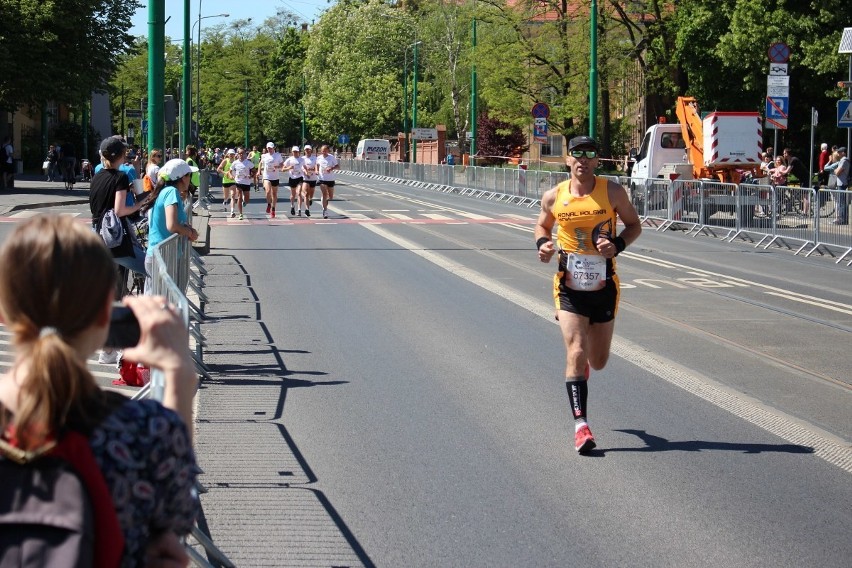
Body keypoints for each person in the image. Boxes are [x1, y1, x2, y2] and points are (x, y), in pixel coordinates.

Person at [0, 214, 199, 565]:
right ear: (106, 314)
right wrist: (179, 374)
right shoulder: (142, 430)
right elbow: (177, 520)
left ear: (5, 312)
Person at [534, 135, 642, 454]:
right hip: (568, 284)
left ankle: (583, 368)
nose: (582, 160)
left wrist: (618, 245)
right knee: (576, 348)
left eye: (589, 154)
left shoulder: (612, 192)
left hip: (604, 285)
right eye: (577, 154)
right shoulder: (554, 196)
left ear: (597, 161)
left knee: (598, 359)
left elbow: (634, 225)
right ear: (568, 160)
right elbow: (542, 227)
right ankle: (581, 426)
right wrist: (543, 245)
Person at [143, 159, 199, 292]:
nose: (190, 180)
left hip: (161, 255)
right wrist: (189, 232)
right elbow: (172, 225)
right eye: (189, 176)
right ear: (182, 178)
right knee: (159, 303)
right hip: (162, 256)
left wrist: (186, 230)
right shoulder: (171, 192)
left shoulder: (166, 191)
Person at [823, 146, 848, 225]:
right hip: (839, 183)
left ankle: (841, 219)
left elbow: (836, 172)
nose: (839, 153)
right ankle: (841, 218)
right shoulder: (841, 162)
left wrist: (834, 168)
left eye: (840, 152)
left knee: (840, 202)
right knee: (840, 202)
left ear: (843, 153)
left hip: (841, 183)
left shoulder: (843, 161)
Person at [227, 147, 253, 220]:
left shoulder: (248, 162)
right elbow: (230, 171)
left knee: (247, 199)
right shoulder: (235, 163)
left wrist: (251, 176)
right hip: (238, 182)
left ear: (245, 154)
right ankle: (240, 214)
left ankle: (245, 202)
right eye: (239, 153)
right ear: (237, 154)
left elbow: (254, 170)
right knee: (239, 197)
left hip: (246, 182)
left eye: (242, 153)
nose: (241, 155)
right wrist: (231, 176)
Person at [259, 141, 284, 218]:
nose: (269, 149)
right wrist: (259, 171)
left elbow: (282, 164)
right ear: (266, 148)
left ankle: (273, 209)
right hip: (267, 176)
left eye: (271, 148)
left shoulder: (278, 155)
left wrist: (278, 167)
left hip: (275, 177)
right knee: (268, 191)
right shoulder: (264, 156)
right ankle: (269, 204)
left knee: (274, 194)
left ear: (274, 148)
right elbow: (260, 163)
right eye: (268, 148)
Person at [316, 144, 339, 219]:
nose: (323, 152)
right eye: (322, 151)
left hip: (330, 179)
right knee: (324, 194)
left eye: (325, 150)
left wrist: (331, 168)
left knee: (331, 196)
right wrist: (316, 170)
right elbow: (317, 164)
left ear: (328, 150)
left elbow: (337, 166)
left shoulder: (331, 157)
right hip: (322, 178)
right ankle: (325, 210)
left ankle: (325, 202)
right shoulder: (319, 158)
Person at [284, 146, 306, 216]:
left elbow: (304, 167)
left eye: (296, 152)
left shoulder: (302, 159)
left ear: (299, 152)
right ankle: (292, 205)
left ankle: (299, 209)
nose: (295, 153)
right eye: (294, 152)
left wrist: (306, 171)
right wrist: (289, 168)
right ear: (292, 152)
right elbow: (282, 169)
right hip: (292, 178)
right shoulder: (289, 160)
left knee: (298, 193)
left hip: (299, 177)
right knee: (293, 195)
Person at [217, 148, 236, 215]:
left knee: (233, 195)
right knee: (226, 196)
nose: (231, 155)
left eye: (233, 154)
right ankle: (225, 200)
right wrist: (225, 173)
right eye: (230, 154)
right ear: (228, 154)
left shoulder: (236, 161)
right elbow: (218, 169)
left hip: (233, 181)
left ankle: (232, 211)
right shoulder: (225, 161)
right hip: (225, 181)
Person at [301, 144, 318, 215]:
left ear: (311, 150)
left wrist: (314, 170)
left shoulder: (315, 158)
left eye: (309, 150)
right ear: (304, 151)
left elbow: (317, 166)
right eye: (306, 150)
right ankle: (307, 209)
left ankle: (310, 199)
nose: (307, 151)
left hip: (313, 178)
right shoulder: (302, 158)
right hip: (305, 177)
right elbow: (302, 167)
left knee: (311, 193)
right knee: (305, 193)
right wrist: (305, 172)